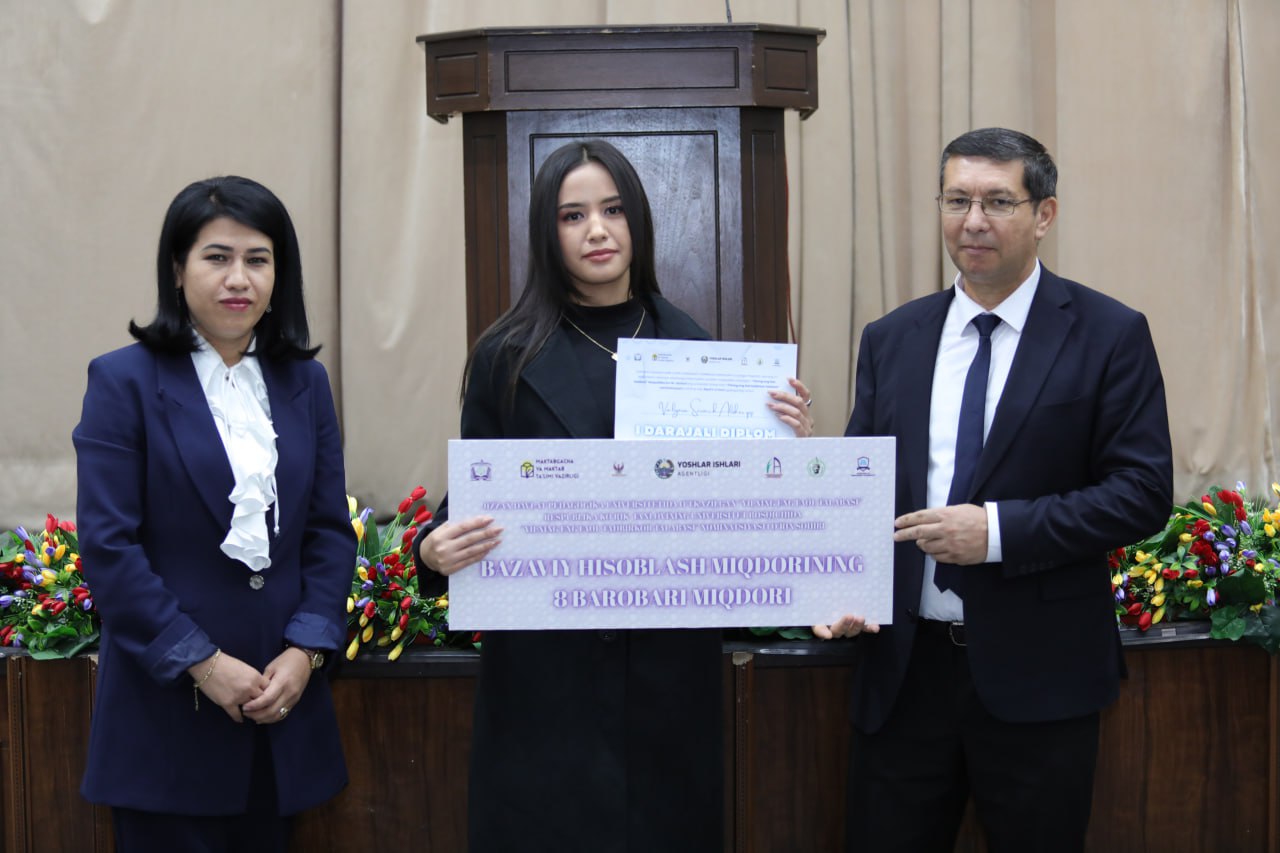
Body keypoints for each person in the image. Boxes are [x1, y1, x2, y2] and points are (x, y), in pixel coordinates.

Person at [412, 139, 813, 852]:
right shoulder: (506, 354)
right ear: (547, 231)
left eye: (614, 209)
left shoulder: (695, 350)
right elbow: (469, 502)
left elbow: (744, 511)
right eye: (573, 215)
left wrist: (789, 447)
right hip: (545, 679)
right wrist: (430, 550)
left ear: (638, 222)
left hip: (668, 678)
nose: (597, 230)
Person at [815, 128, 1173, 852]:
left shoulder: (1108, 333)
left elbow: (1141, 492)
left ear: (1044, 214)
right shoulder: (892, 337)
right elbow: (864, 486)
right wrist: (839, 583)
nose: (973, 220)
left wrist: (998, 532)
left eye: (998, 202)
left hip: (1042, 678)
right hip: (906, 677)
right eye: (957, 200)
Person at [73, 176, 356, 852]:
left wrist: (307, 649)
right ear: (177, 269)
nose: (239, 278)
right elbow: (109, 547)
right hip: (166, 718)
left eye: (258, 259)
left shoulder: (305, 383)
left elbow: (327, 531)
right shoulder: (123, 381)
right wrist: (200, 661)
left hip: (280, 714)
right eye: (217, 257)